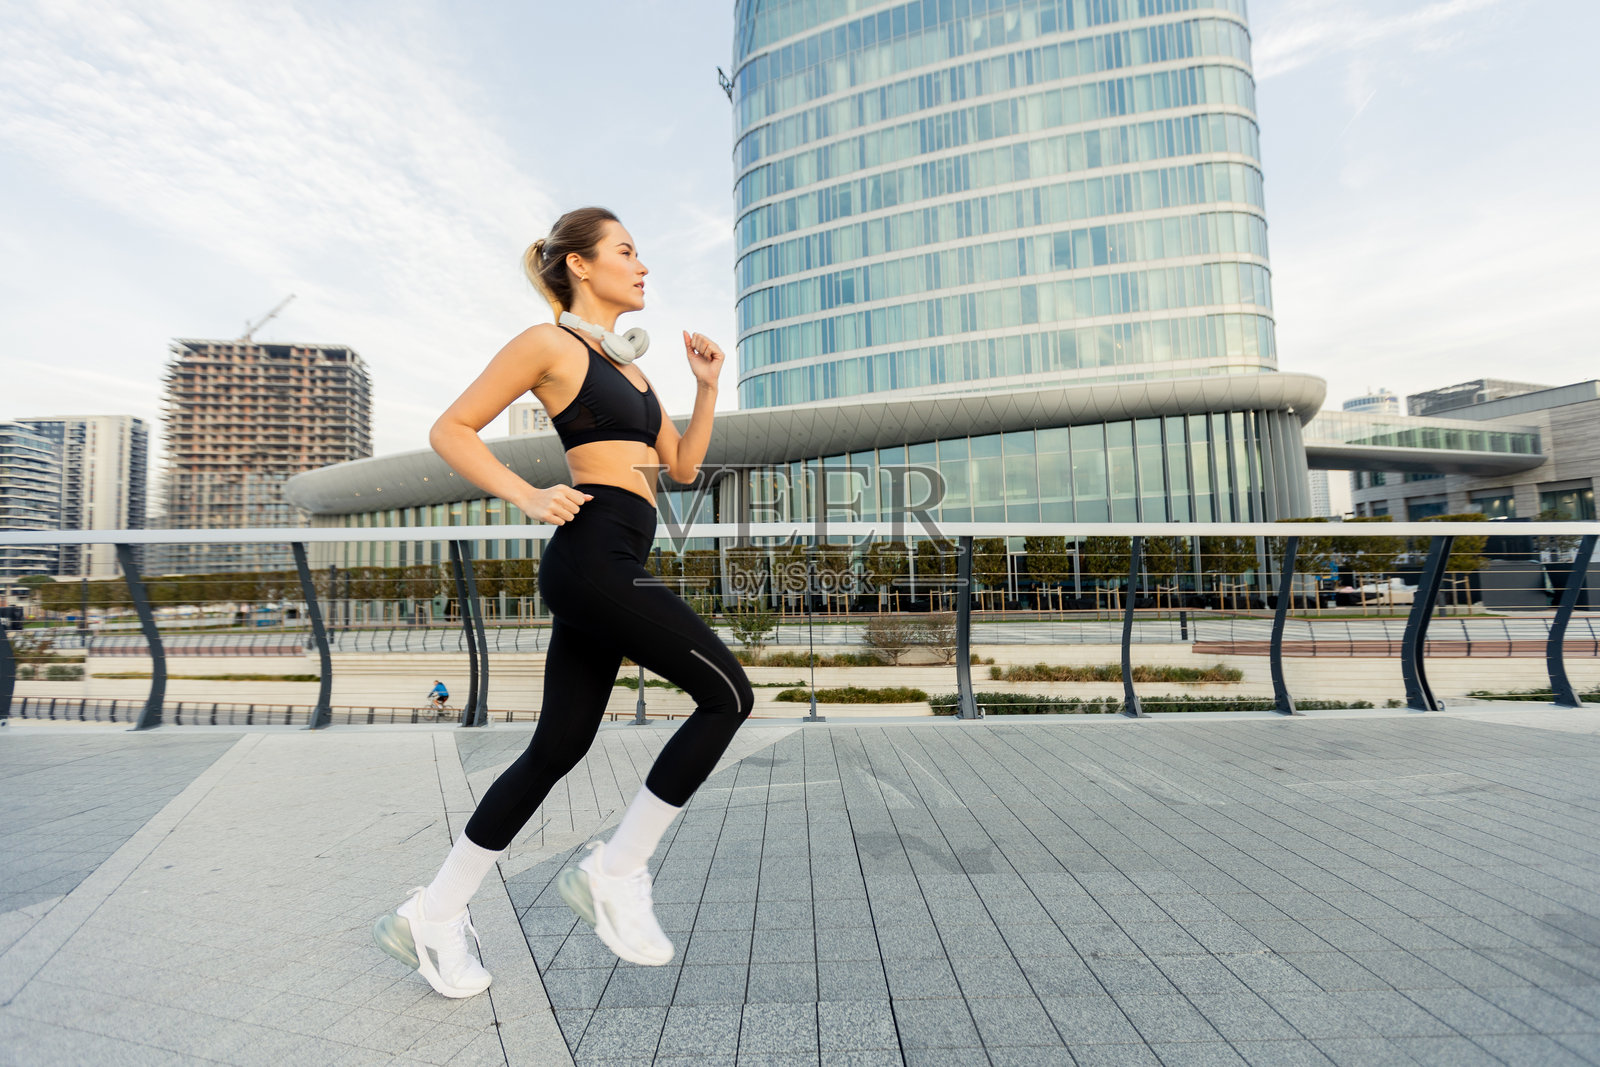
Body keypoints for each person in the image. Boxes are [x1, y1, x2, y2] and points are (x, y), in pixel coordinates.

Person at [373, 207, 753, 999]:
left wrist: (707, 387)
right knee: (727, 694)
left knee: (556, 750)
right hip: (591, 554)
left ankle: (433, 912)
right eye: (626, 250)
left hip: (617, 551)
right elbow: (453, 429)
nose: (642, 264)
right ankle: (617, 870)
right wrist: (524, 494)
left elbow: (679, 468)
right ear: (579, 265)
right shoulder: (550, 344)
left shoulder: (636, 371)